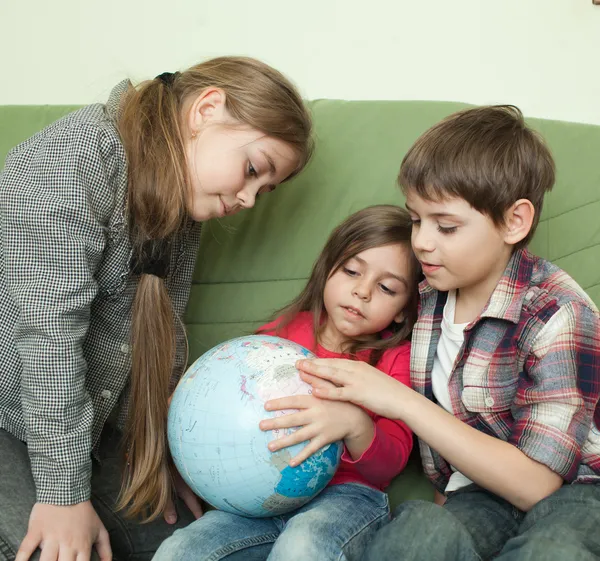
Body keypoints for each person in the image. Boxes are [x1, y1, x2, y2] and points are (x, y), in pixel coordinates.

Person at [0, 56, 313, 561]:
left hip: (87, 423)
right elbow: (47, 341)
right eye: (253, 170)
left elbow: (154, 335)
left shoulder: (181, 195)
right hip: (11, 411)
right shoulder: (70, 161)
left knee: (198, 542)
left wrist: (165, 453)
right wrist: (63, 495)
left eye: (265, 189)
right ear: (207, 109)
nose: (250, 198)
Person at [298, 106, 600, 561]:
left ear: (514, 222)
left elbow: (539, 484)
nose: (420, 241)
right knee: (415, 533)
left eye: (446, 226)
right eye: (416, 219)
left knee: (553, 551)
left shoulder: (557, 311)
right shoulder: (423, 295)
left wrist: (401, 401)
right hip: (478, 494)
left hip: (578, 491)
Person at [153, 205, 420, 561]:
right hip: (260, 497)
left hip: (347, 497)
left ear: (404, 308)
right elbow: (237, 391)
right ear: (328, 271)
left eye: (387, 288)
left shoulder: (396, 359)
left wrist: (354, 425)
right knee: (180, 551)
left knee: (301, 548)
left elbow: (392, 461)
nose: (362, 291)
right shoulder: (285, 332)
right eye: (352, 271)